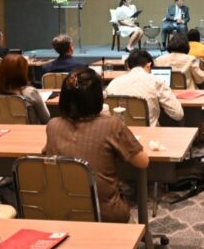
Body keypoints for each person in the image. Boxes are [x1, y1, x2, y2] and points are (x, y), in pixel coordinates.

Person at [43, 68, 149, 223]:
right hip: (105, 214)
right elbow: (143, 161)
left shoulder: (52, 125)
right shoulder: (112, 125)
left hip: (64, 212)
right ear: (98, 98)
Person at [106, 49, 183, 127]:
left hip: (118, 132)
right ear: (149, 65)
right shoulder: (157, 81)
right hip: (150, 132)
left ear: (128, 66)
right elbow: (178, 114)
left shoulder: (113, 83)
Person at [0, 53, 50, 124]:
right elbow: (46, 118)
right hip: (29, 131)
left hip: (3, 131)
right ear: (23, 71)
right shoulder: (30, 92)